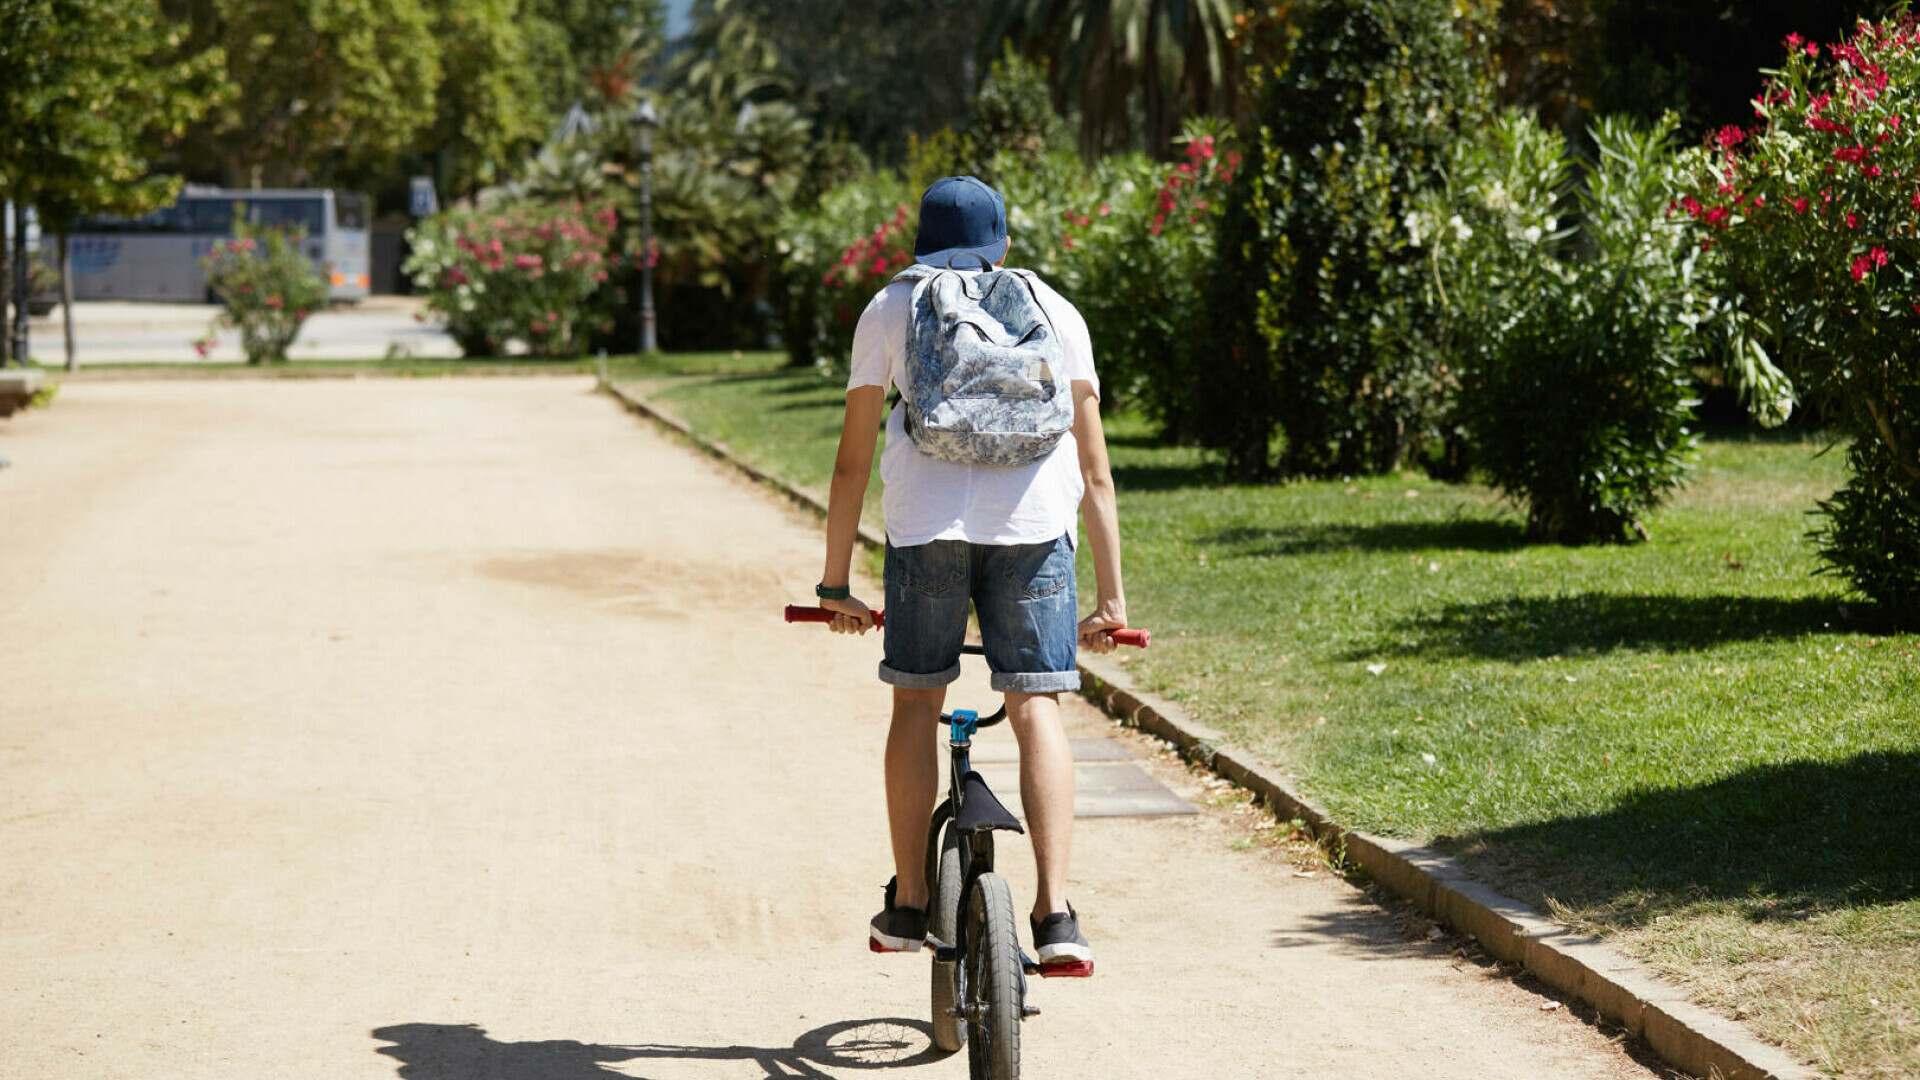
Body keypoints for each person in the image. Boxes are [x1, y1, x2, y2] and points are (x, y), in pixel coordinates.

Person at [814, 175, 1127, 972]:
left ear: (918, 246)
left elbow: (851, 465)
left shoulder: (892, 307)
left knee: (917, 701)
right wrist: (1112, 600)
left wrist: (834, 586)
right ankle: (1056, 916)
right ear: (1004, 244)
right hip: (1035, 531)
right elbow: (1095, 472)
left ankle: (913, 903)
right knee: (1036, 709)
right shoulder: (1057, 310)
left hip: (927, 530)